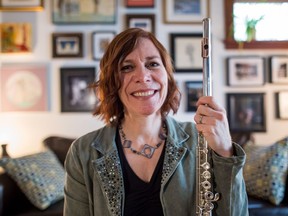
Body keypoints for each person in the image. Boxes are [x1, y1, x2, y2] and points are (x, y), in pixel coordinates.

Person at [64, 28, 249, 216]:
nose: (143, 76)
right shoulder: (82, 152)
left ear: (167, 76)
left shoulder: (202, 140)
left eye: (152, 64)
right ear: (112, 82)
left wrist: (226, 153)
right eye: (127, 67)